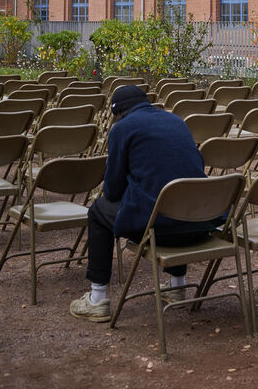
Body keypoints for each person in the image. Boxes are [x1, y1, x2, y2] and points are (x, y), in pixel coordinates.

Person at [70, 84, 218, 322]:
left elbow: (113, 189)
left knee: (98, 211)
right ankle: (177, 287)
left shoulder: (122, 128)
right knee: (175, 200)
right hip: (198, 223)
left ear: (117, 113)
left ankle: (97, 299)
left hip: (161, 230)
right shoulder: (177, 121)